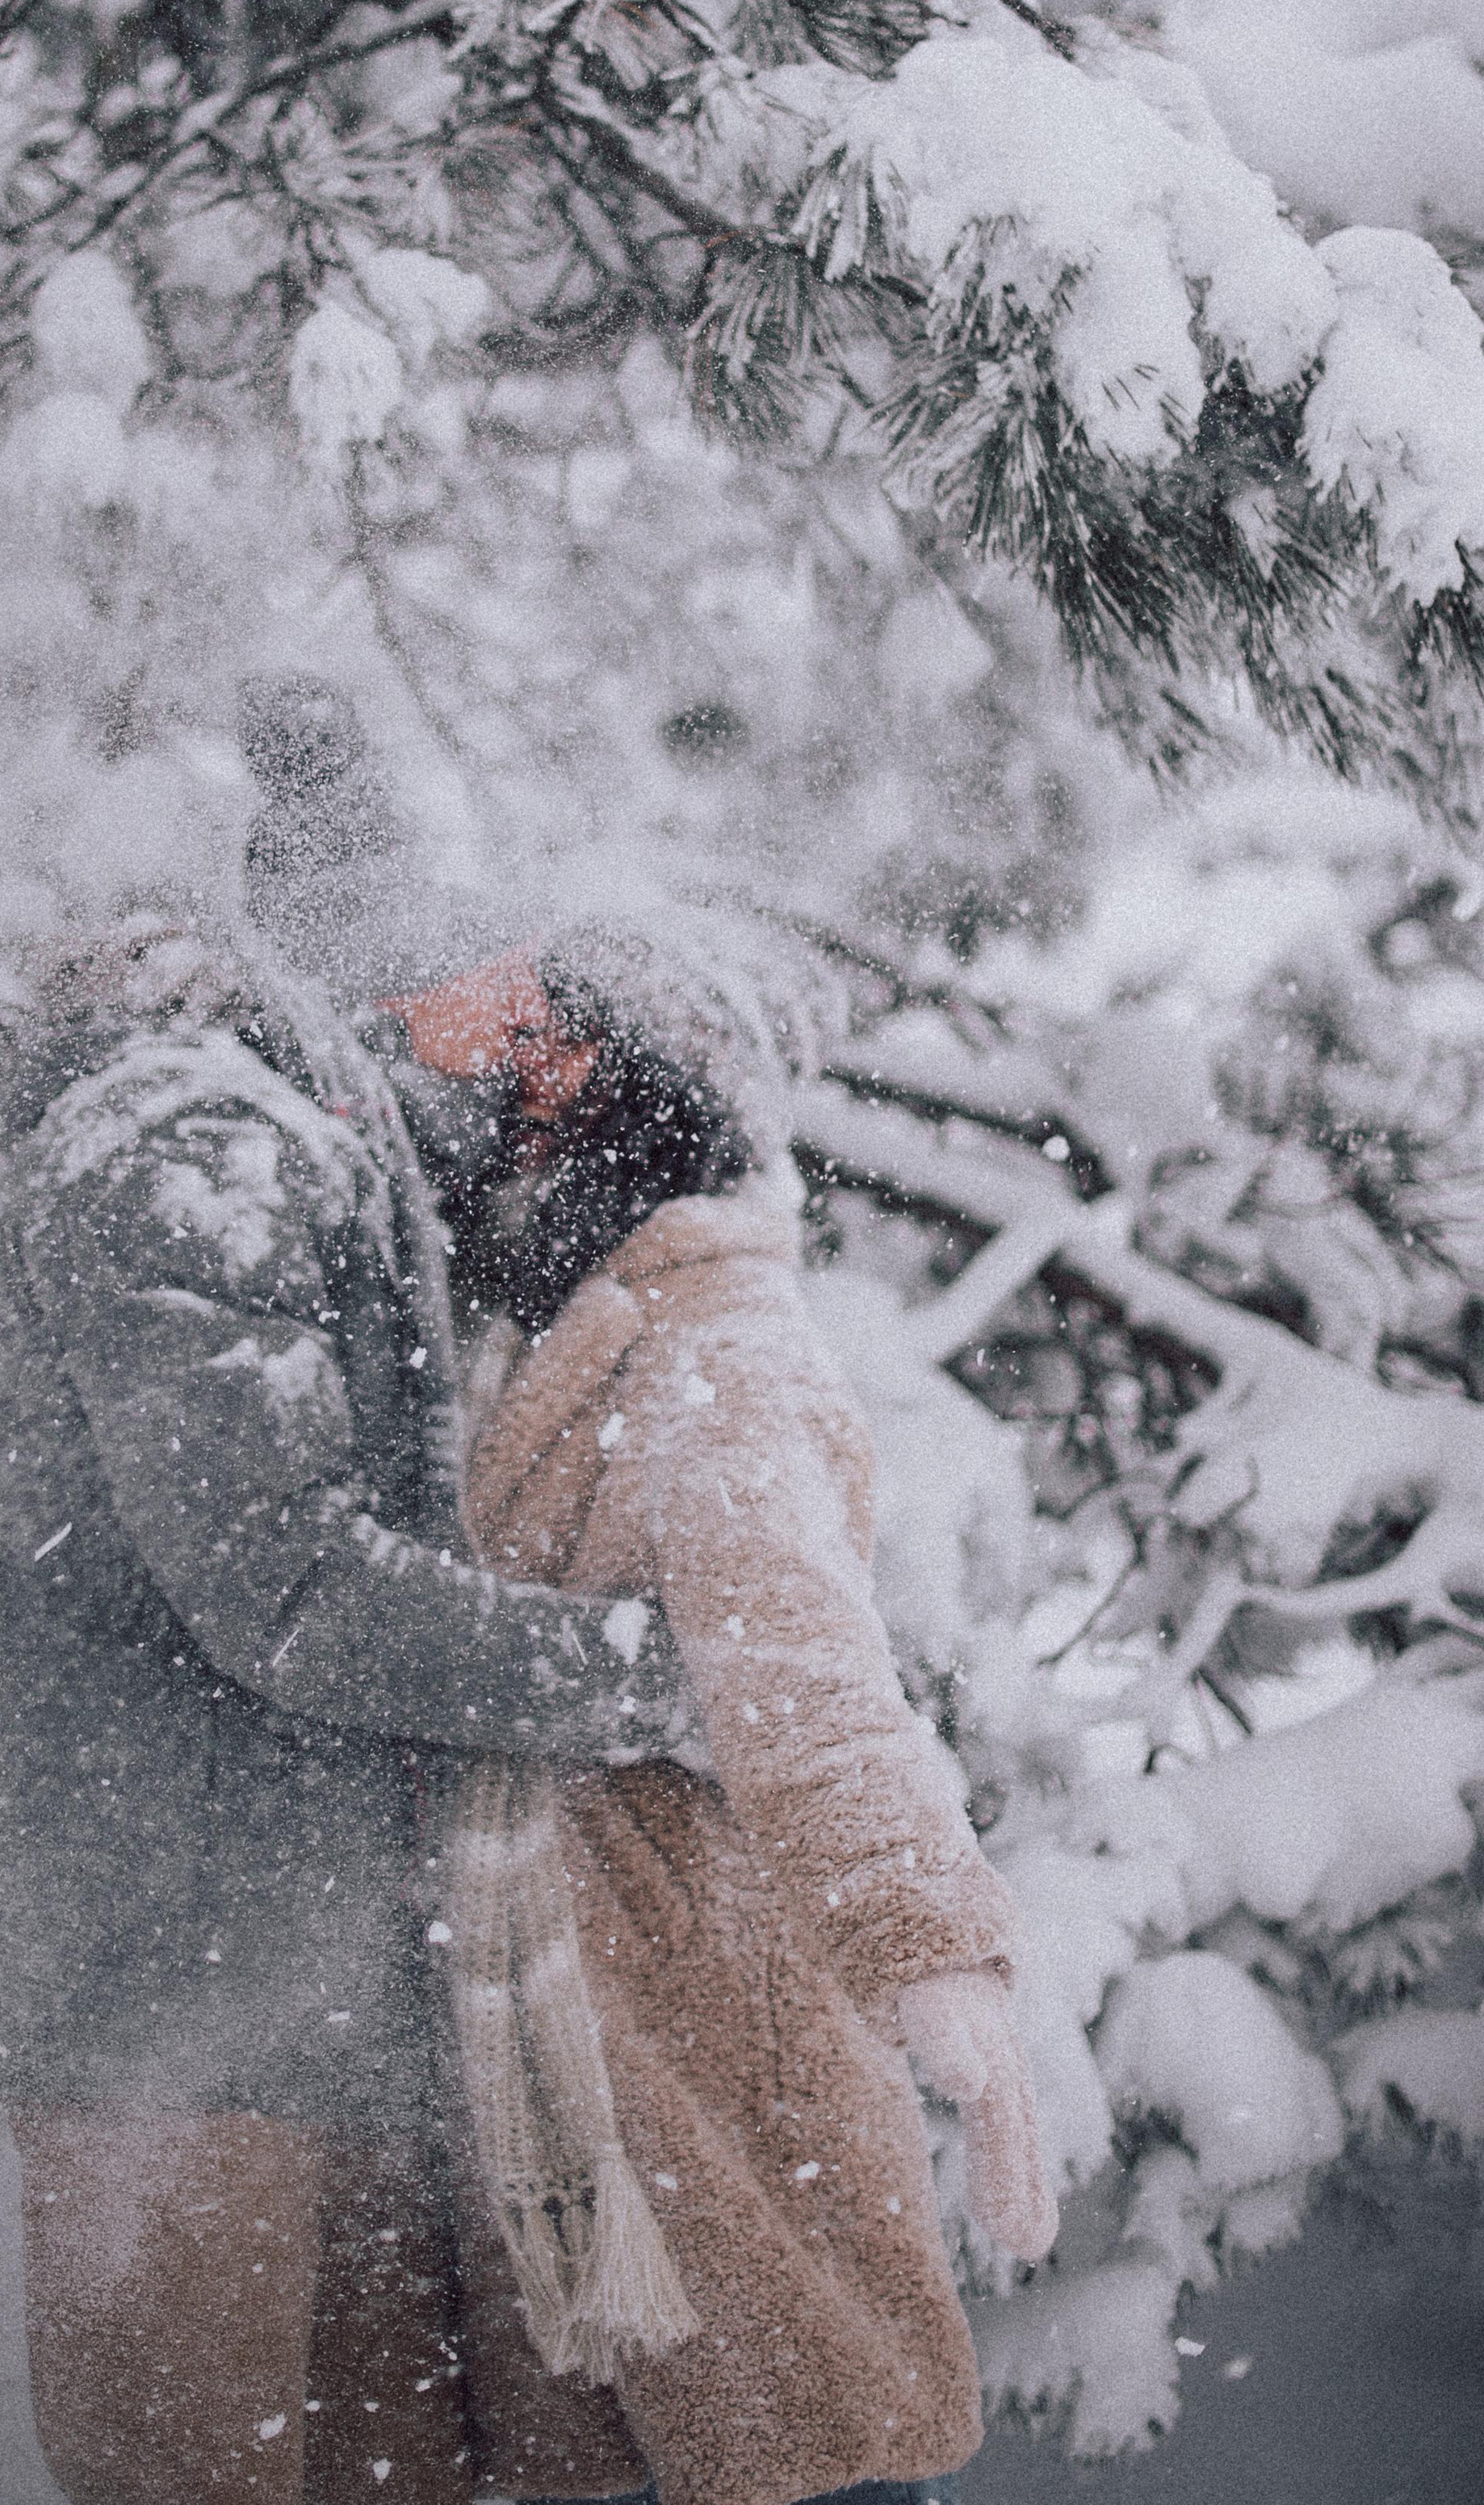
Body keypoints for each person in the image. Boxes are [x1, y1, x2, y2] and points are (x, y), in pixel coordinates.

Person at [0, 696, 703, 2505]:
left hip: (319, 1990)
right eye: (407, 886)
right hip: (168, 2000)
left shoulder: (306, 1129)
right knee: (205, 2481)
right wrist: (659, 1679)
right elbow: (288, 1587)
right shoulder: (178, 1150)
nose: (457, 942)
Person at [385, 931, 1057, 2505]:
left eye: (536, 1055)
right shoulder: (526, 1312)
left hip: (703, 2024)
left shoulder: (710, 1345)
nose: (479, 1090)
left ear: (627, 1091)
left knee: (792, 2454)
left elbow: (805, 1673)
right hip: (558, 2034)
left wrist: (925, 1943)